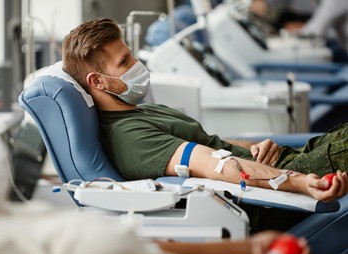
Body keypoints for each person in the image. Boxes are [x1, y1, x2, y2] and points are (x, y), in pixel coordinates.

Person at [0, 102, 309, 254]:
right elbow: (214, 163)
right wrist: (304, 183)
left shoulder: (7, 216)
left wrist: (246, 251)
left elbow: (137, 247)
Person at [62, 18, 347, 206]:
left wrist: (256, 146)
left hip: (284, 165)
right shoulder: (129, 137)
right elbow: (216, 165)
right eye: (125, 61)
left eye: (132, 54)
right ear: (97, 81)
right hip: (270, 196)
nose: (137, 63)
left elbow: (213, 144)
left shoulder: (145, 111)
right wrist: (299, 182)